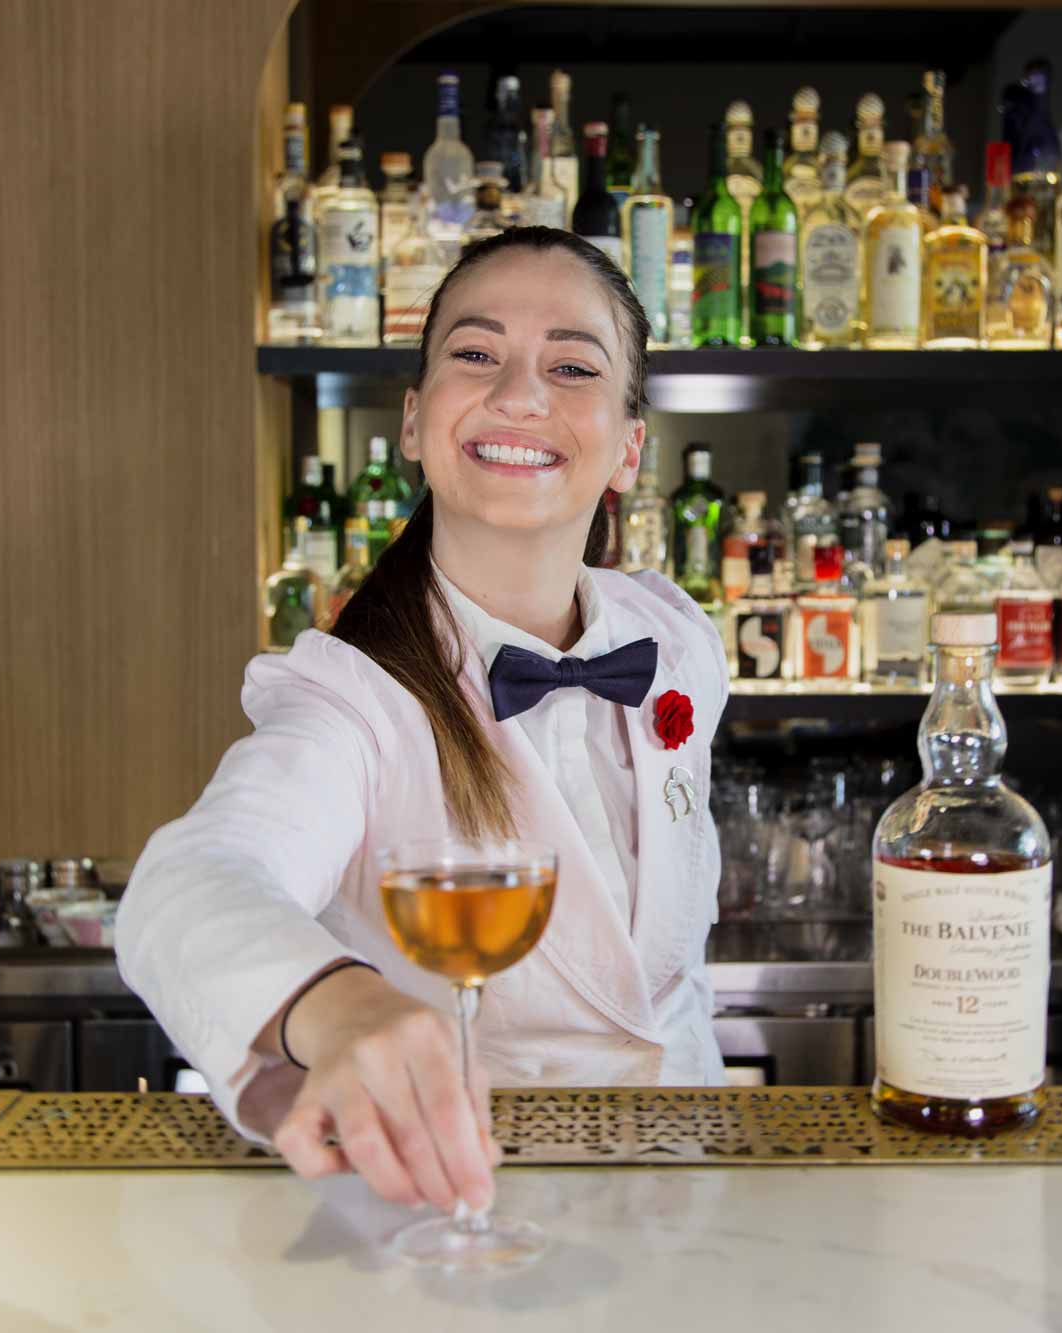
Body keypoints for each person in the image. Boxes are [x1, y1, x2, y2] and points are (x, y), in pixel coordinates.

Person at [117, 228, 728, 1217]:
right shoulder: (350, 699)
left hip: (692, 1211)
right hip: (448, 1214)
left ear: (628, 448)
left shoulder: (675, 640)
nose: (519, 395)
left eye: (571, 365)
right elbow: (187, 883)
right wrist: (338, 1005)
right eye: (474, 354)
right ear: (412, 422)